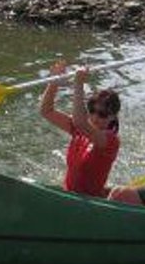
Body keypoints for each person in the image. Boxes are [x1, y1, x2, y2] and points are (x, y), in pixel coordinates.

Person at [40, 61, 121, 198]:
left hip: (89, 202)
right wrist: (54, 82)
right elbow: (46, 111)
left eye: (102, 114)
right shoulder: (79, 130)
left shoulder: (111, 141)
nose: (95, 117)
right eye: (92, 111)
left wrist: (78, 84)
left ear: (113, 117)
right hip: (69, 195)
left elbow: (80, 123)